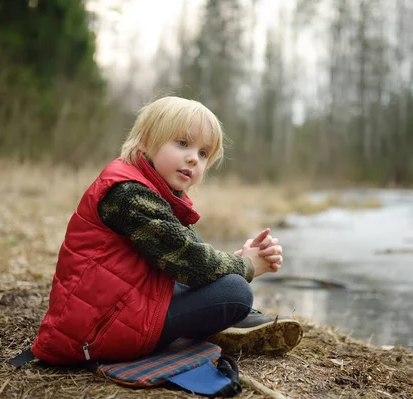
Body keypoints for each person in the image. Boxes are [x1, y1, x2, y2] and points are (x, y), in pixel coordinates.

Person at [30, 96, 303, 365]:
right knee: (236, 292)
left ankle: (229, 318)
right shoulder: (129, 193)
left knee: (223, 279)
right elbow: (190, 261)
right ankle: (226, 317)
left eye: (203, 153)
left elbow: (185, 254)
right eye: (183, 143)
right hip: (96, 332)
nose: (194, 158)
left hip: (120, 308)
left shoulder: (149, 188)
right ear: (147, 140)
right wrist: (246, 265)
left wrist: (240, 257)